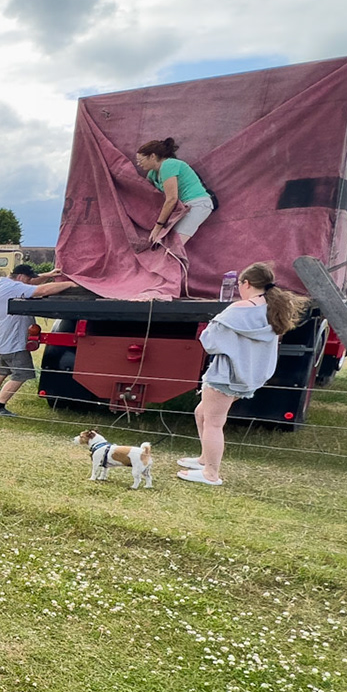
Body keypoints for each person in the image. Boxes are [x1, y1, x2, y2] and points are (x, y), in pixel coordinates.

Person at [179, 261, 307, 484]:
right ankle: (204, 459)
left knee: (213, 423)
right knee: (202, 413)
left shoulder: (238, 309)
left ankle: (211, 473)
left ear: (246, 283)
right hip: (249, 375)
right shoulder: (272, 309)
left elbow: (210, 341)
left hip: (226, 375)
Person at [0, 264, 77, 416]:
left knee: (3, 371)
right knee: (22, 374)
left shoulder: (2, 284)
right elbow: (42, 290)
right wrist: (69, 284)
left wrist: (48, 275)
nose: (30, 282)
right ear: (21, 277)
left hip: (2, 340)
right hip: (14, 342)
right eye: (28, 279)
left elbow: (31, 283)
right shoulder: (13, 287)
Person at [134, 138, 213, 258]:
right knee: (166, 243)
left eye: (141, 160)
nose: (139, 164)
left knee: (173, 247)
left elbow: (171, 199)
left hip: (198, 204)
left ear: (153, 156)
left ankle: (175, 269)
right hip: (182, 209)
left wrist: (158, 227)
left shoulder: (168, 165)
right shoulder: (152, 174)